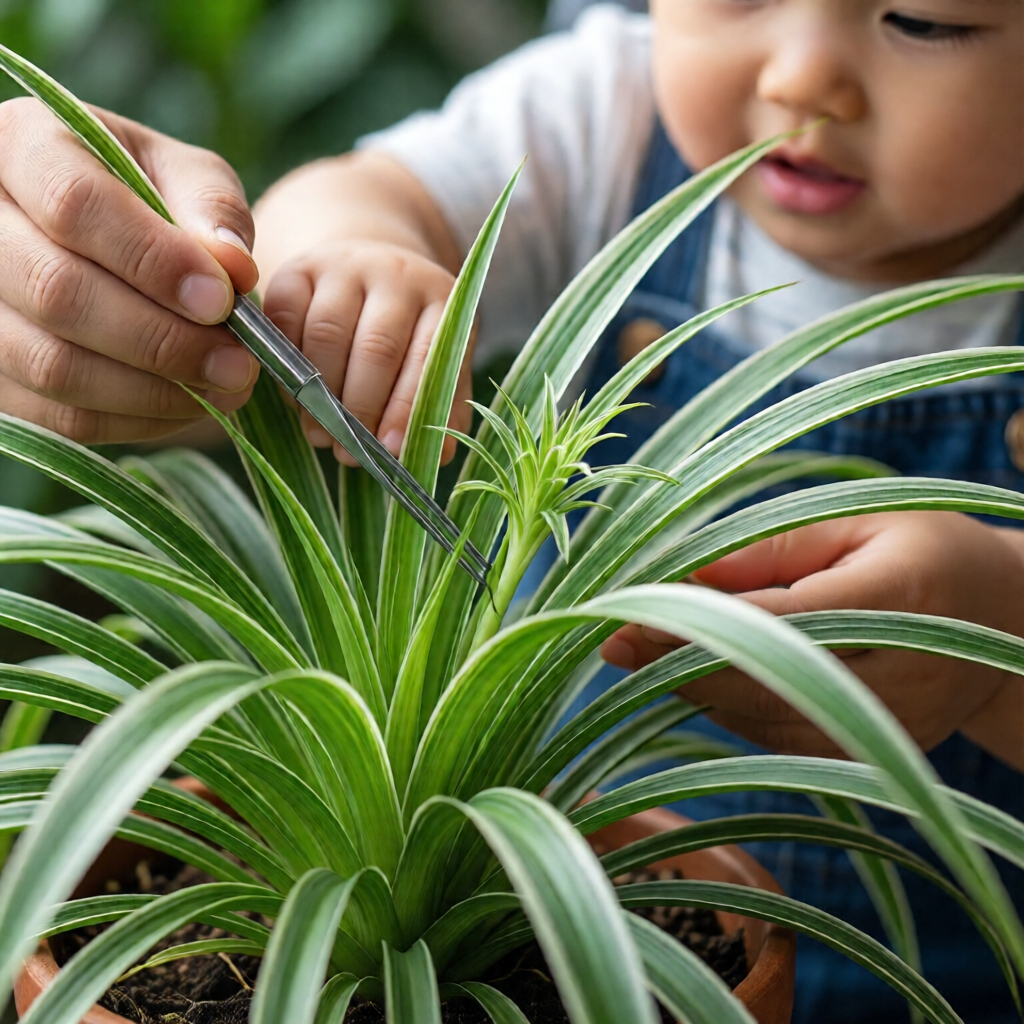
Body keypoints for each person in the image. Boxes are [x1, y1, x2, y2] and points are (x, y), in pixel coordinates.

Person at [0, 1, 1020, 1018]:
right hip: (575, 916)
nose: (802, 77)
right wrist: (347, 259)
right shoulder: (602, 116)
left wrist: (995, 631)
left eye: (923, 20)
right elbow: (362, 190)